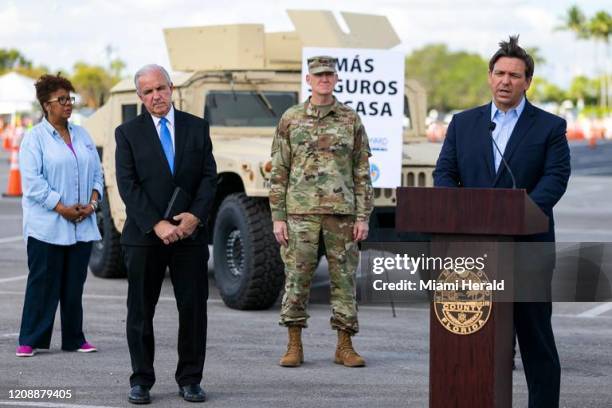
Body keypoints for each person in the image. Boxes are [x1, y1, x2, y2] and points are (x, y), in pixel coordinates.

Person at [433, 36, 570, 408]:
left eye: (514, 75)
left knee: (535, 339)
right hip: (472, 253)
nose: (505, 81)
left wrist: (514, 217)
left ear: (527, 81)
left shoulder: (549, 127)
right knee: (475, 337)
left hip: (528, 251)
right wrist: (462, 211)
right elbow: (445, 173)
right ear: (489, 76)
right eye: (499, 73)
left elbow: (555, 179)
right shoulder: (464, 124)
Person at [115, 64, 217, 404]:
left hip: (190, 236)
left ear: (171, 88)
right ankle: (141, 380)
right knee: (141, 311)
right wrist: (157, 224)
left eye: (160, 88)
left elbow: (208, 178)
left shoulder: (197, 128)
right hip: (145, 237)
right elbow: (127, 185)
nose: (156, 95)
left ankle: (190, 380)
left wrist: (195, 218)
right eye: (148, 91)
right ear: (140, 97)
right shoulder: (127, 133)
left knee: (193, 310)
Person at [269, 56, 373, 368]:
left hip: (341, 215)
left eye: (329, 74)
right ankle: (294, 344)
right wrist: (277, 217)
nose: (324, 79)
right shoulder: (291, 118)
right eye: (318, 75)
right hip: (300, 214)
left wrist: (363, 216)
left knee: (344, 281)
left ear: (336, 79)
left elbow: (361, 170)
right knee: (296, 279)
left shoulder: (350, 119)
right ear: (309, 80)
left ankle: (344, 346)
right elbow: (279, 170)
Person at [17, 74, 103, 357]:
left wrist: (93, 201)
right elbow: (33, 182)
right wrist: (62, 207)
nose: (68, 104)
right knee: (43, 283)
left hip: (82, 223)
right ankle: (30, 338)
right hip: (48, 226)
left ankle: (74, 338)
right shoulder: (34, 139)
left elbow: (96, 172)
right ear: (46, 105)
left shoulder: (82, 135)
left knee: (73, 286)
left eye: (70, 99)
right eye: (61, 100)